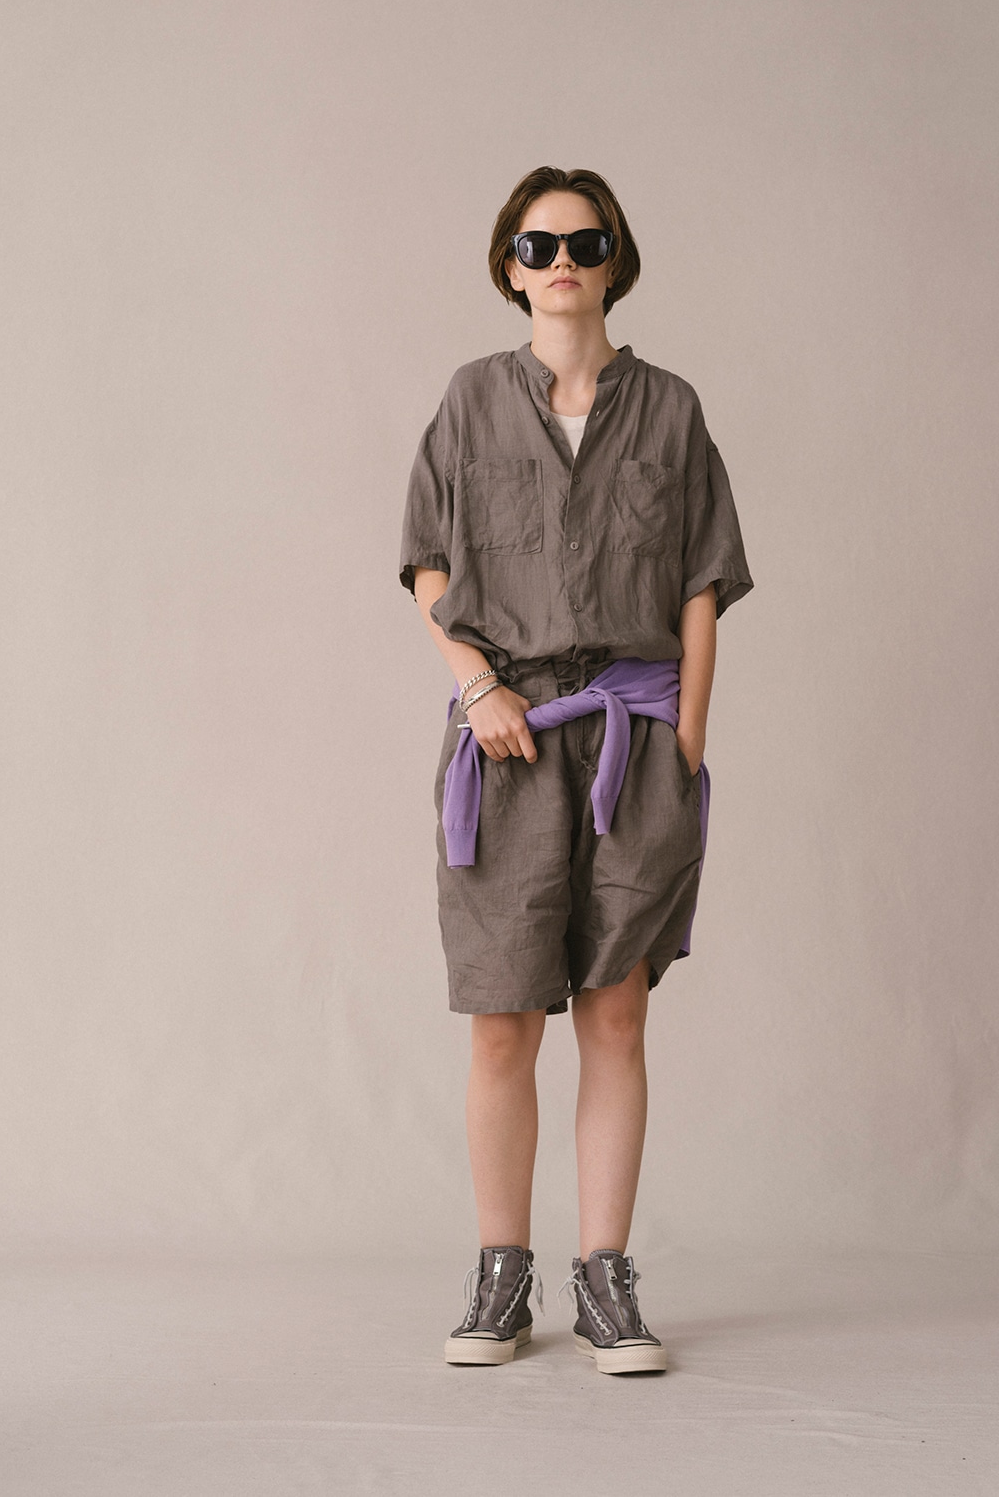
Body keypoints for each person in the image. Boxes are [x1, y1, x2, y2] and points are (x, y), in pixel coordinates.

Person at [399, 165, 753, 1375]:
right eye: (539, 244)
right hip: (506, 742)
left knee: (616, 1015)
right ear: (510, 266)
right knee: (503, 1022)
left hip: (636, 738)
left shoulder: (672, 410)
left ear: (615, 262)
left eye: (585, 243)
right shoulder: (470, 401)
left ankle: (607, 1278)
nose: (562, 262)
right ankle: (502, 1276)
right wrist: (477, 687)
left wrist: (687, 739)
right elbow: (428, 568)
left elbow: (702, 583)